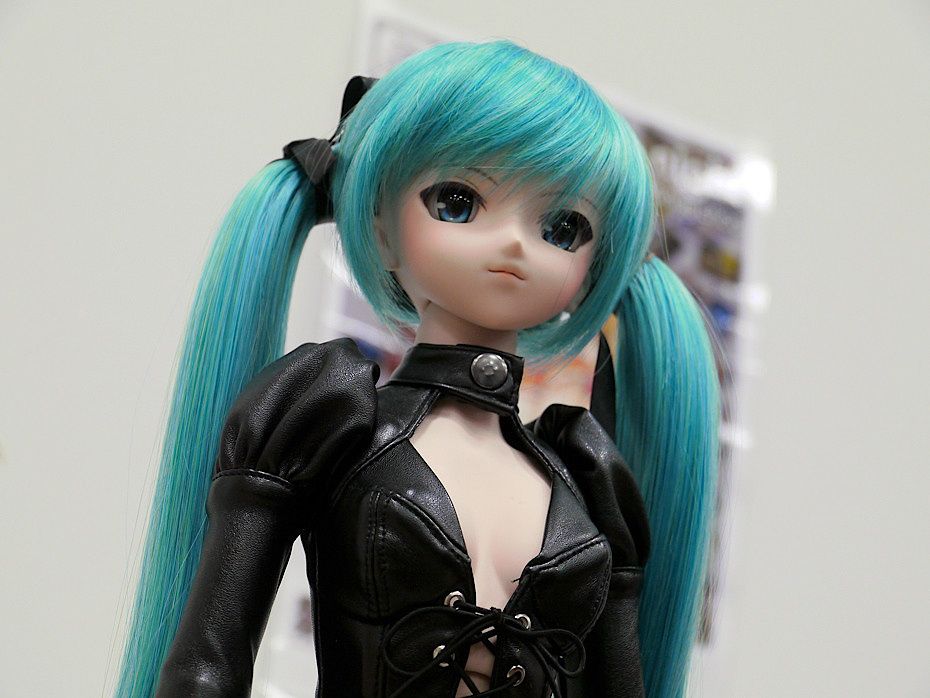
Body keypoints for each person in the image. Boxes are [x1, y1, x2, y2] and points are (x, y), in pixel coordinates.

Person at [116, 40, 719, 698]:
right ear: (381, 230)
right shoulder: (329, 412)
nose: (514, 242)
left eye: (562, 227)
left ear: (589, 272)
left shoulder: (586, 474)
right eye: (457, 201)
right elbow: (208, 665)